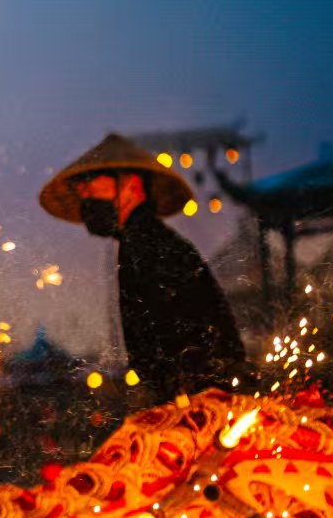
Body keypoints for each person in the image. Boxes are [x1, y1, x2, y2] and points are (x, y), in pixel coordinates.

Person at [39, 134, 245, 397]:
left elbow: (185, 341)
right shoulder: (143, 240)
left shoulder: (149, 244)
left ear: (132, 186)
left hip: (201, 400)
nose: (86, 200)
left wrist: (185, 397)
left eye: (91, 188)